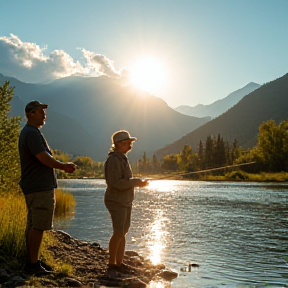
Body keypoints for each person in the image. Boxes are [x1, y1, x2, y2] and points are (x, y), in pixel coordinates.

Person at [18, 100, 76, 274]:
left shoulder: (30, 132)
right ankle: (33, 264)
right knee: (39, 226)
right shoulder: (32, 133)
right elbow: (43, 157)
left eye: (44, 111)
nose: (44, 114)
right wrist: (64, 166)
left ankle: (32, 261)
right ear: (31, 113)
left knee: (33, 224)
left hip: (34, 186)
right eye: (40, 111)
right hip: (39, 187)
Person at [104, 130, 149, 271]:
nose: (130, 145)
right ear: (119, 144)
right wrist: (135, 182)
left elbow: (125, 181)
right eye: (128, 143)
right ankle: (112, 263)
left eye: (130, 143)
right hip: (116, 201)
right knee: (118, 232)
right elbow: (115, 182)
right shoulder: (114, 160)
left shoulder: (122, 158)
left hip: (125, 201)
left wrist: (138, 183)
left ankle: (119, 262)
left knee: (123, 231)